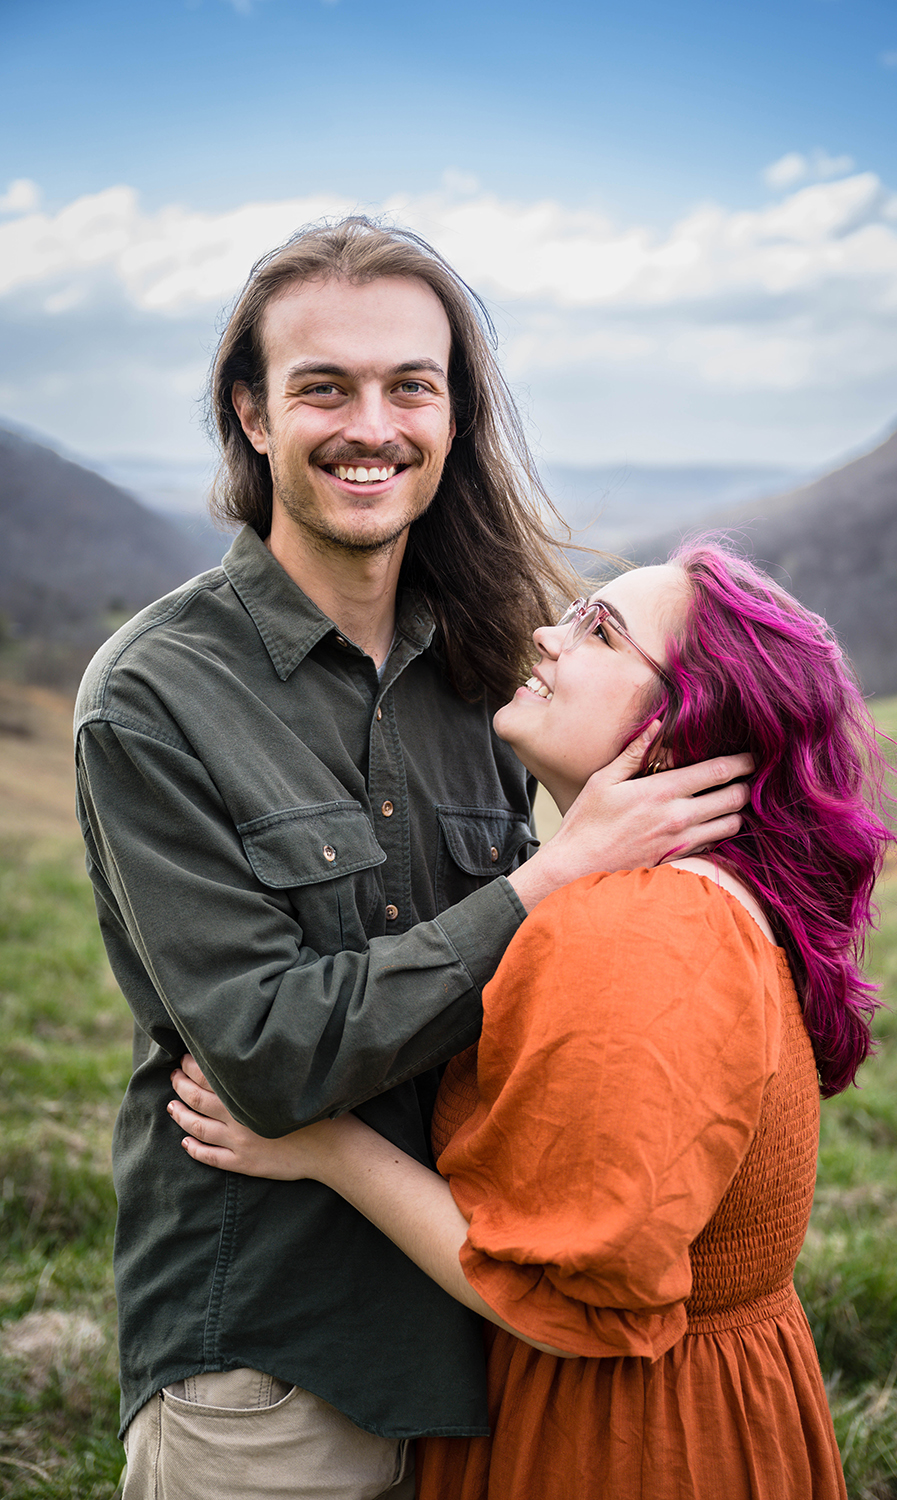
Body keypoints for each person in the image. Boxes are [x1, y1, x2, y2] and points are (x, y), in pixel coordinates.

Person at [74, 217, 752, 1499]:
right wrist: (548, 879)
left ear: (453, 419)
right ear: (253, 416)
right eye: (322, 386)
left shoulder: (483, 679)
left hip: (492, 1335)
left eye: (410, 386)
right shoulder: (154, 695)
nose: (369, 423)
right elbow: (264, 1055)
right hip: (279, 1354)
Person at [167, 542, 897, 1499]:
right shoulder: (684, 902)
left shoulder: (645, 926)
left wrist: (324, 1146)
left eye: (602, 630)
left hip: (625, 1442)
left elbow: (573, 1302)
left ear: (686, 724)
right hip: (698, 1414)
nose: (548, 638)